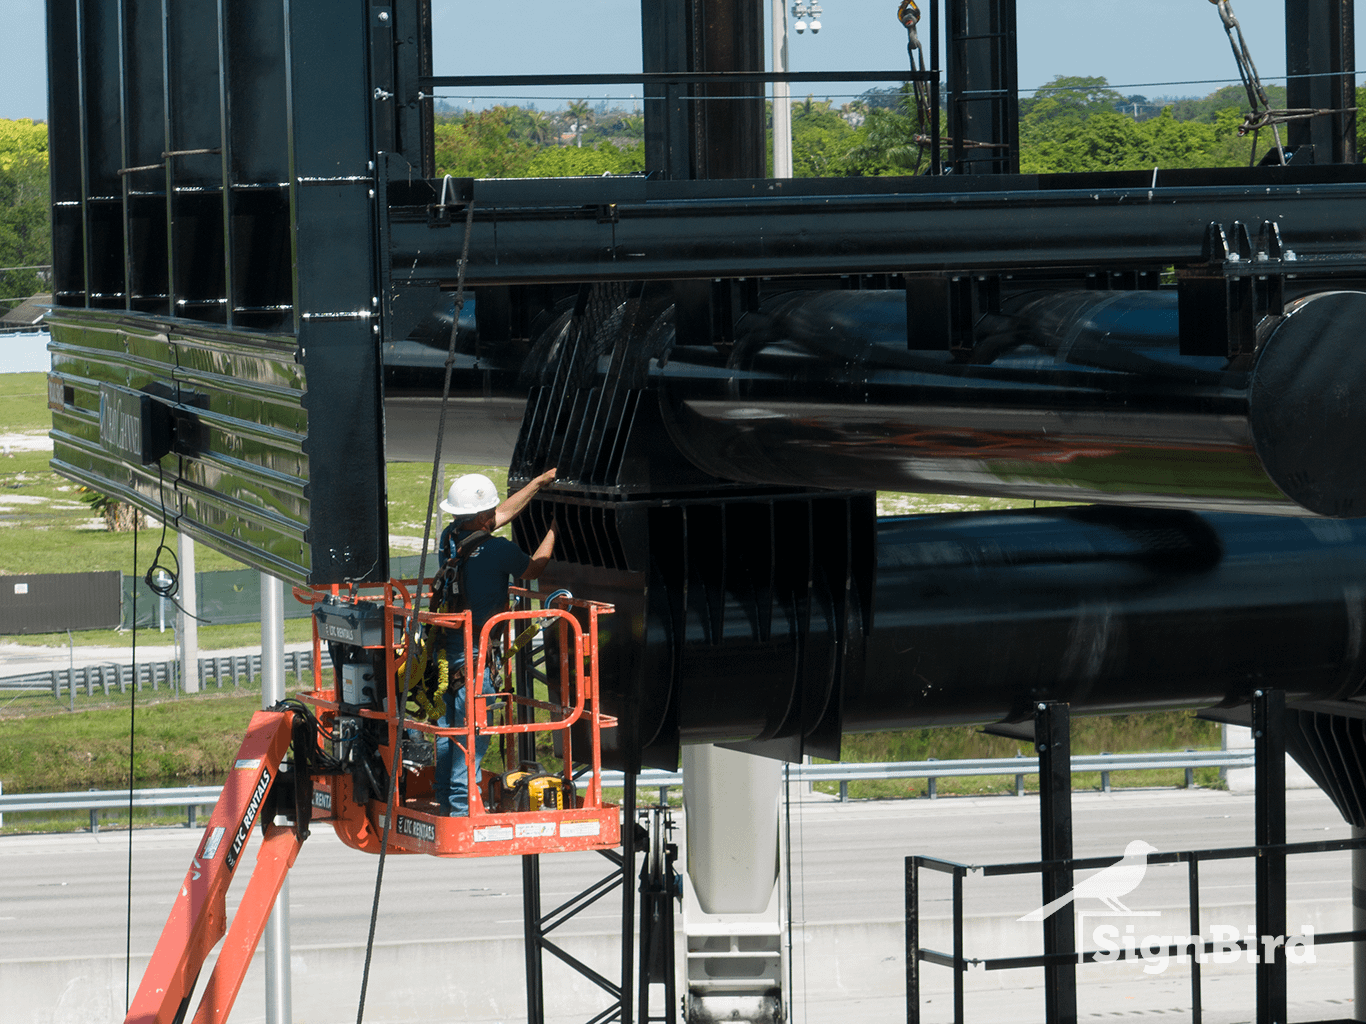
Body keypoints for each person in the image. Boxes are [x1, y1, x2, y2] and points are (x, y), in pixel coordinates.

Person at [432, 468, 558, 816]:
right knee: (474, 734)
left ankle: (447, 800)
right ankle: (462, 808)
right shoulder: (498, 550)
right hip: (475, 657)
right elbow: (533, 569)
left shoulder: (450, 538)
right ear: (484, 517)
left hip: (447, 653)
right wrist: (552, 532)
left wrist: (534, 486)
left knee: (450, 732)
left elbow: (495, 517)